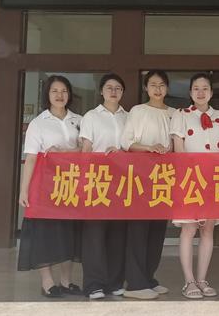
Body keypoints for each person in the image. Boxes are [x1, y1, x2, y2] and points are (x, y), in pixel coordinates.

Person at [17, 75, 83, 298]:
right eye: (54, 91)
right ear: (47, 94)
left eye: (64, 90)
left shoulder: (79, 120)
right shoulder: (38, 123)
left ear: (69, 94)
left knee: (69, 232)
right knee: (45, 232)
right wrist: (24, 190)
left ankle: (66, 281)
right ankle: (47, 282)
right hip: (45, 185)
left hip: (72, 184)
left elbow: (87, 150)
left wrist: (64, 152)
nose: (59, 95)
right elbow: (31, 158)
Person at [170, 73, 219, 299]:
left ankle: (203, 279)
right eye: (196, 88)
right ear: (190, 92)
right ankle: (189, 281)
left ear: (211, 92)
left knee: (208, 229)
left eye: (205, 88)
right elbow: (178, 148)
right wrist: (191, 176)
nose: (201, 92)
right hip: (190, 180)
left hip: (214, 181)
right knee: (189, 229)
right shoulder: (181, 115)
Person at [120, 70, 175, 300]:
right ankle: (135, 284)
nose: (157, 89)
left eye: (161, 85)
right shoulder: (138, 111)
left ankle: (148, 278)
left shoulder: (175, 114)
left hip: (165, 178)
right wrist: (150, 148)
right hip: (140, 177)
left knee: (157, 231)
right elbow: (126, 142)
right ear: (146, 87)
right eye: (153, 84)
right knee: (138, 230)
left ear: (167, 88)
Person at [78, 73, 128, 300]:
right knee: (94, 234)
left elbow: (132, 147)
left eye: (118, 88)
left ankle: (115, 282)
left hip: (123, 182)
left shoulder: (129, 117)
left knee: (118, 234)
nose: (114, 91)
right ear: (101, 91)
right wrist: (83, 179)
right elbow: (86, 149)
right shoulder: (91, 116)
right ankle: (93, 284)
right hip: (96, 180)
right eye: (109, 87)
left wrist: (122, 153)